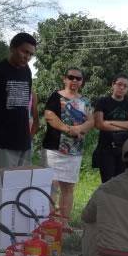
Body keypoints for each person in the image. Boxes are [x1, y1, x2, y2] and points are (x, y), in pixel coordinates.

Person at [0, 32, 39, 243]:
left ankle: (13, 240)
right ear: (12, 47)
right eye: (24, 52)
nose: (27, 57)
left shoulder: (27, 71)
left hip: (23, 143)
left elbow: (27, 106)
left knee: (20, 193)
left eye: (30, 54)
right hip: (0, 142)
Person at [42, 67, 94, 226]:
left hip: (74, 151)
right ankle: (48, 222)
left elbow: (91, 121)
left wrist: (79, 129)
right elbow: (49, 116)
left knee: (68, 188)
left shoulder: (85, 101)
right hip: (53, 149)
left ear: (82, 82)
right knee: (51, 185)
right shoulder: (55, 96)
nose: (74, 81)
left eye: (78, 78)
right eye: (71, 77)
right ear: (64, 79)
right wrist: (68, 130)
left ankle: (64, 223)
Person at [93, 73, 128, 182]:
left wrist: (111, 123)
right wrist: (124, 126)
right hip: (106, 149)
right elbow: (99, 124)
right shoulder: (102, 102)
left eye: (125, 86)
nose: (122, 88)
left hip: (125, 149)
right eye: (119, 84)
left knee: (122, 182)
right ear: (113, 85)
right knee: (107, 182)